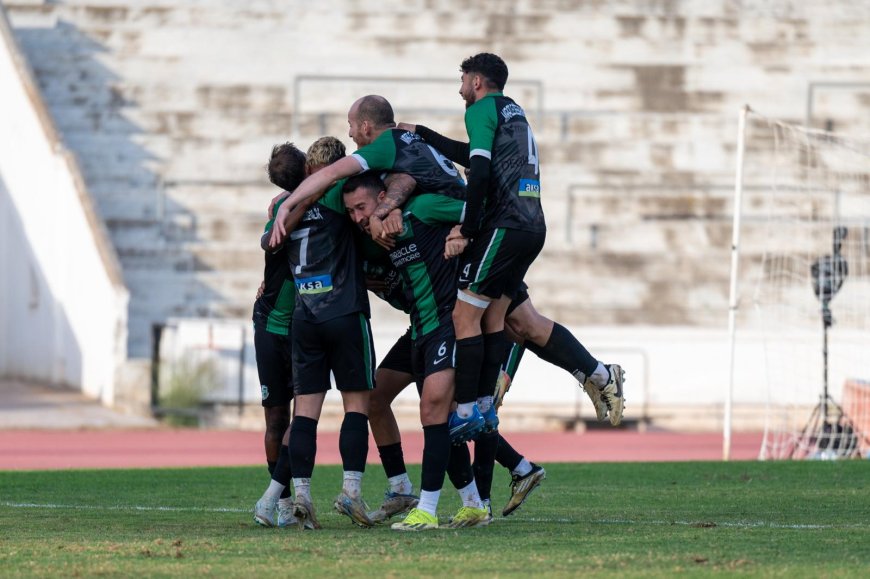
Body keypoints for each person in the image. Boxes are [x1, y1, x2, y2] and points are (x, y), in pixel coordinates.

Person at [398, 53, 625, 428]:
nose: (460, 91)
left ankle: (469, 411)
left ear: (476, 82)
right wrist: (422, 133)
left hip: (505, 225)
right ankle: (598, 376)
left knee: (464, 315)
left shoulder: (479, 110)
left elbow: (480, 170)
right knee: (503, 320)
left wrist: (468, 228)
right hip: (531, 224)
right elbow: (472, 155)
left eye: (462, 82)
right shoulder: (512, 111)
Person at [343, 172, 490, 531]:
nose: (358, 217)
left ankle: (426, 508)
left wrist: (461, 233)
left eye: (362, 207)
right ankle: (470, 503)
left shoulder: (423, 208)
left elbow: (481, 210)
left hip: (447, 323)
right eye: (350, 211)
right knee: (376, 396)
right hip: (418, 330)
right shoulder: (372, 239)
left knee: (434, 410)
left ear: (383, 197)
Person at [268, 136, 377, 530]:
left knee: (305, 416)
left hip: (305, 320)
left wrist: (287, 206)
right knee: (356, 408)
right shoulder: (335, 197)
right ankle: (350, 491)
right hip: (344, 313)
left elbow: (268, 242)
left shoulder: (283, 208)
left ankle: (301, 495)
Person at [251, 142, 306, 528]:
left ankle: (288, 499)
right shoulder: (283, 208)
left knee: (291, 418)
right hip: (274, 325)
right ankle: (284, 501)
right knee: (280, 418)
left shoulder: (302, 203)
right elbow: (271, 239)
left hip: (298, 326)